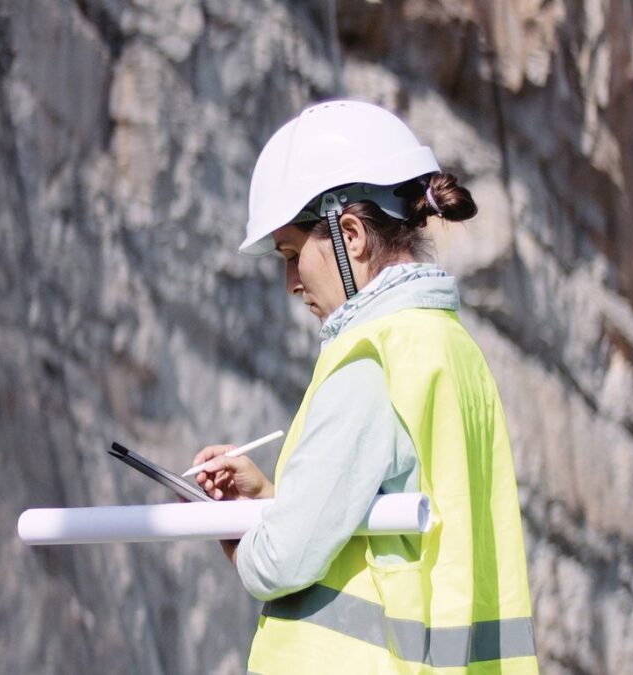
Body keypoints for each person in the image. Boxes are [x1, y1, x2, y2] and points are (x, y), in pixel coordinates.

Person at [190, 101, 538, 674]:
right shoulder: (453, 351)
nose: (289, 282)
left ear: (348, 234)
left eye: (291, 254)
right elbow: (393, 531)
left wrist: (233, 528)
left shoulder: (370, 359)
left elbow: (280, 562)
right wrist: (276, 501)